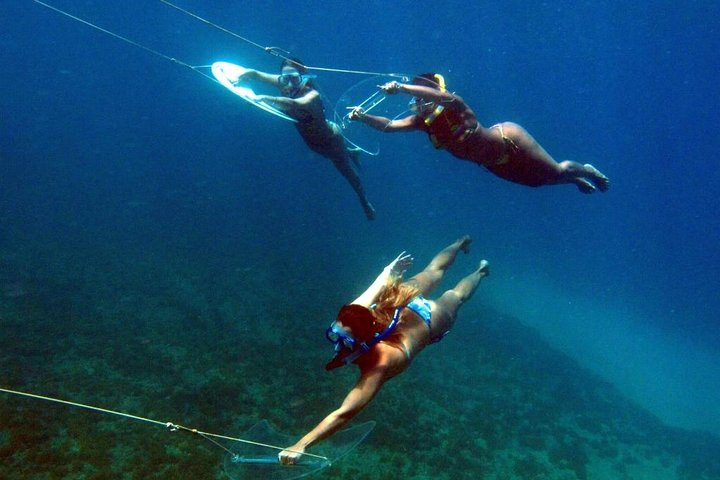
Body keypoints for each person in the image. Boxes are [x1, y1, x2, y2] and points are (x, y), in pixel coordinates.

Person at [278, 235, 489, 464]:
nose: (338, 344)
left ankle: (480, 271)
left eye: (343, 341)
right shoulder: (356, 314)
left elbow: (344, 413)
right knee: (435, 271)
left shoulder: (380, 364)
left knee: (455, 296)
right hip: (398, 301)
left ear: (361, 342)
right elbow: (377, 286)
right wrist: (390, 271)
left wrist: (302, 444)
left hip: (427, 319)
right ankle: (460, 244)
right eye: (335, 334)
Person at [348, 73, 610, 194]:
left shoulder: (454, 104)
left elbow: (440, 96)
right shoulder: (422, 122)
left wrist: (403, 88)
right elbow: (389, 126)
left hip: (511, 141)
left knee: (554, 171)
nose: (419, 104)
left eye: (420, 96)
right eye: (417, 100)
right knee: (537, 182)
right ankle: (574, 181)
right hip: (493, 162)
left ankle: (585, 170)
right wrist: (362, 117)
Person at [233, 58, 376, 220]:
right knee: (334, 157)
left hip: (330, 140)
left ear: (304, 78)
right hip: (312, 142)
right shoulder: (283, 83)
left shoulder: (312, 94)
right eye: (285, 78)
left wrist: (266, 98)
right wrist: (243, 76)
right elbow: (257, 74)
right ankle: (350, 151)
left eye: (294, 77)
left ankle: (364, 201)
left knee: (348, 173)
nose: (289, 83)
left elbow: (294, 104)